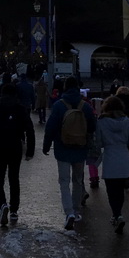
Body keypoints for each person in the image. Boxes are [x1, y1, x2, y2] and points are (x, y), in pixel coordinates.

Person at [42, 76, 97, 230]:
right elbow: (92, 126)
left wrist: (46, 145)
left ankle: (69, 212)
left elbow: (50, 127)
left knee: (64, 181)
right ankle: (76, 209)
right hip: (80, 148)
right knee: (78, 180)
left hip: (62, 148)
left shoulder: (59, 105)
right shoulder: (85, 106)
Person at [0, 81, 35, 226]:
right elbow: (29, 129)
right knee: (14, 179)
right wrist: (30, 151)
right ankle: (14, 210)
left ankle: (2, 204)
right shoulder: (20, 108)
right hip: (15, 147)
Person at [96, 95, 129, 233]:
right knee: (120, 191)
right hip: (123, 158)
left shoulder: (101, 122)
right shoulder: (126, 121)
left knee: (111, 191)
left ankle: (116, 215)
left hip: (110, 158)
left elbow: (99, 143)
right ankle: (118, 214)